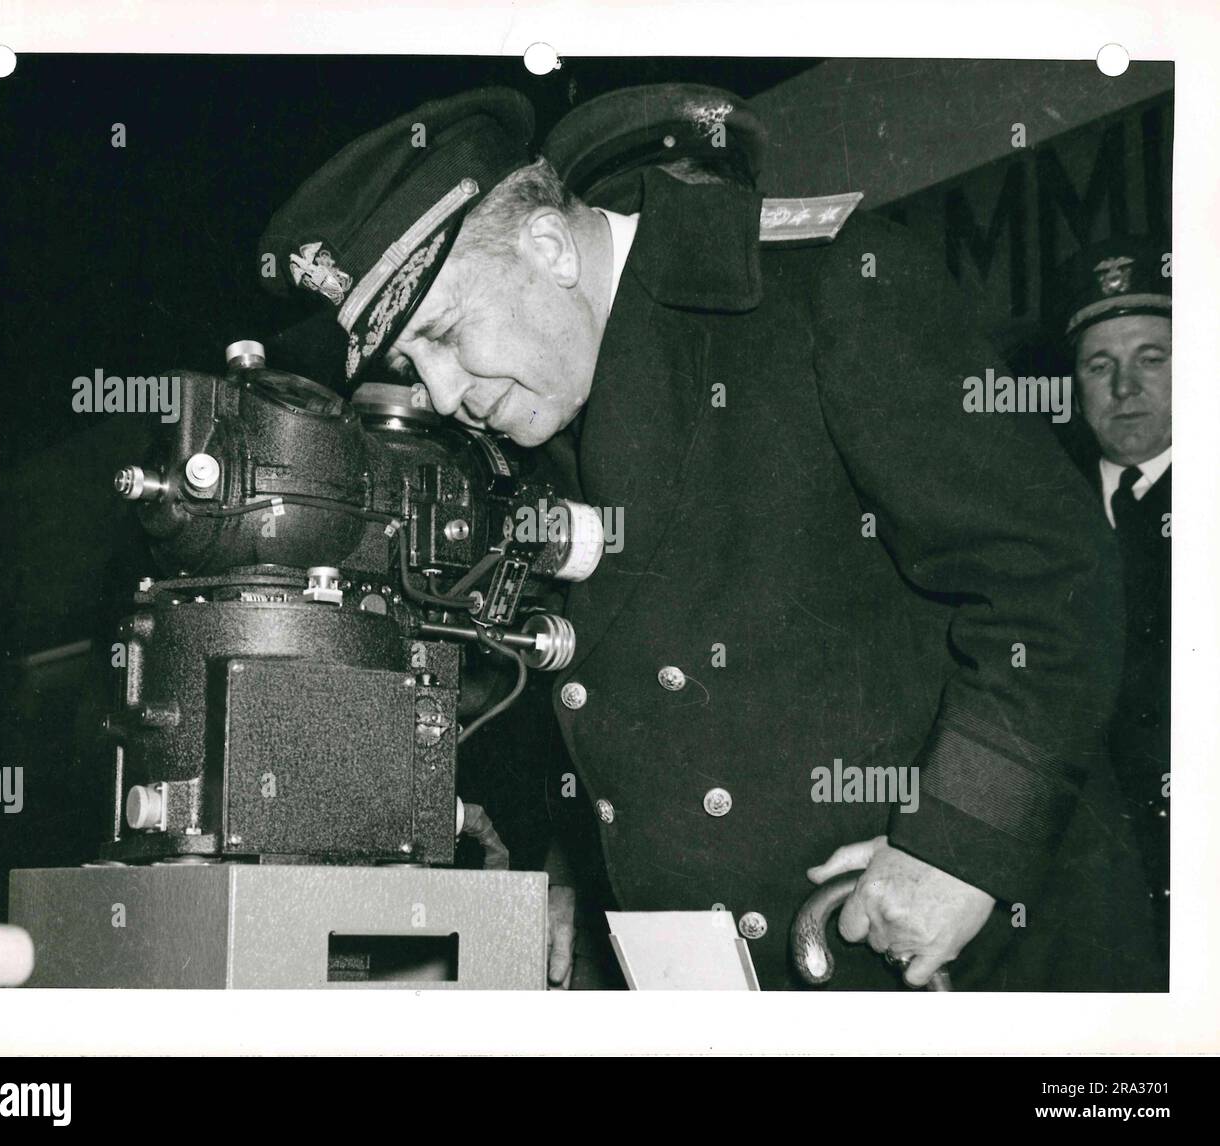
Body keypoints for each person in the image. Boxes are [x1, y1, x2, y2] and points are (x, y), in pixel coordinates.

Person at [259, 87, 1161, 990]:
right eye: (414, 364)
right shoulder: (543, 405)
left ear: (547, 247)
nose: (445, 394)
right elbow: (608, 695)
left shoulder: (822, 287)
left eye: (447, 335)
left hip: (951, 961)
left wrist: (961, 845)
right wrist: (580, 868)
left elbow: (1050, 577)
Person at [1058, 237, 1171, 960]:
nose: (1124, 388)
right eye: (1101, 366)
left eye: (1151, 360)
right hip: (1084, 888)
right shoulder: (1038, 512)